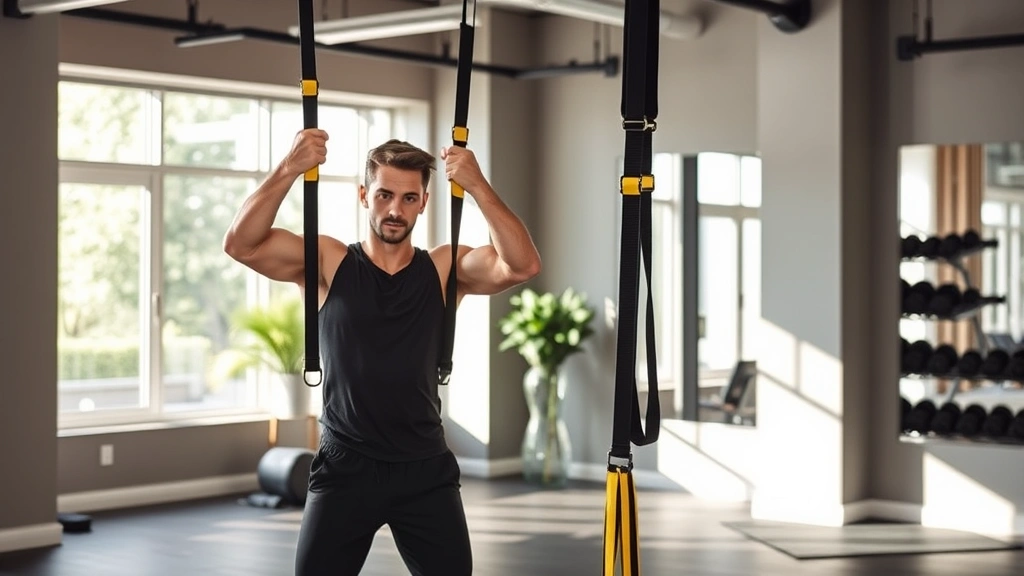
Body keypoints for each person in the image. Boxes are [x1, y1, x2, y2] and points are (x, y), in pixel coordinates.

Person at [223, 128, 542, 576]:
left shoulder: (444, 267)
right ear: (363, 195)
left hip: (425, 469)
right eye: (384, 195)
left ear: (425, 202)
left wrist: (478, 186)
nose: (396, 209)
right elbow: (242, 244)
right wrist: (290, 167)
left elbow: (522, 264)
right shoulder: (329, 262)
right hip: (345, 466)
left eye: (410, 198)